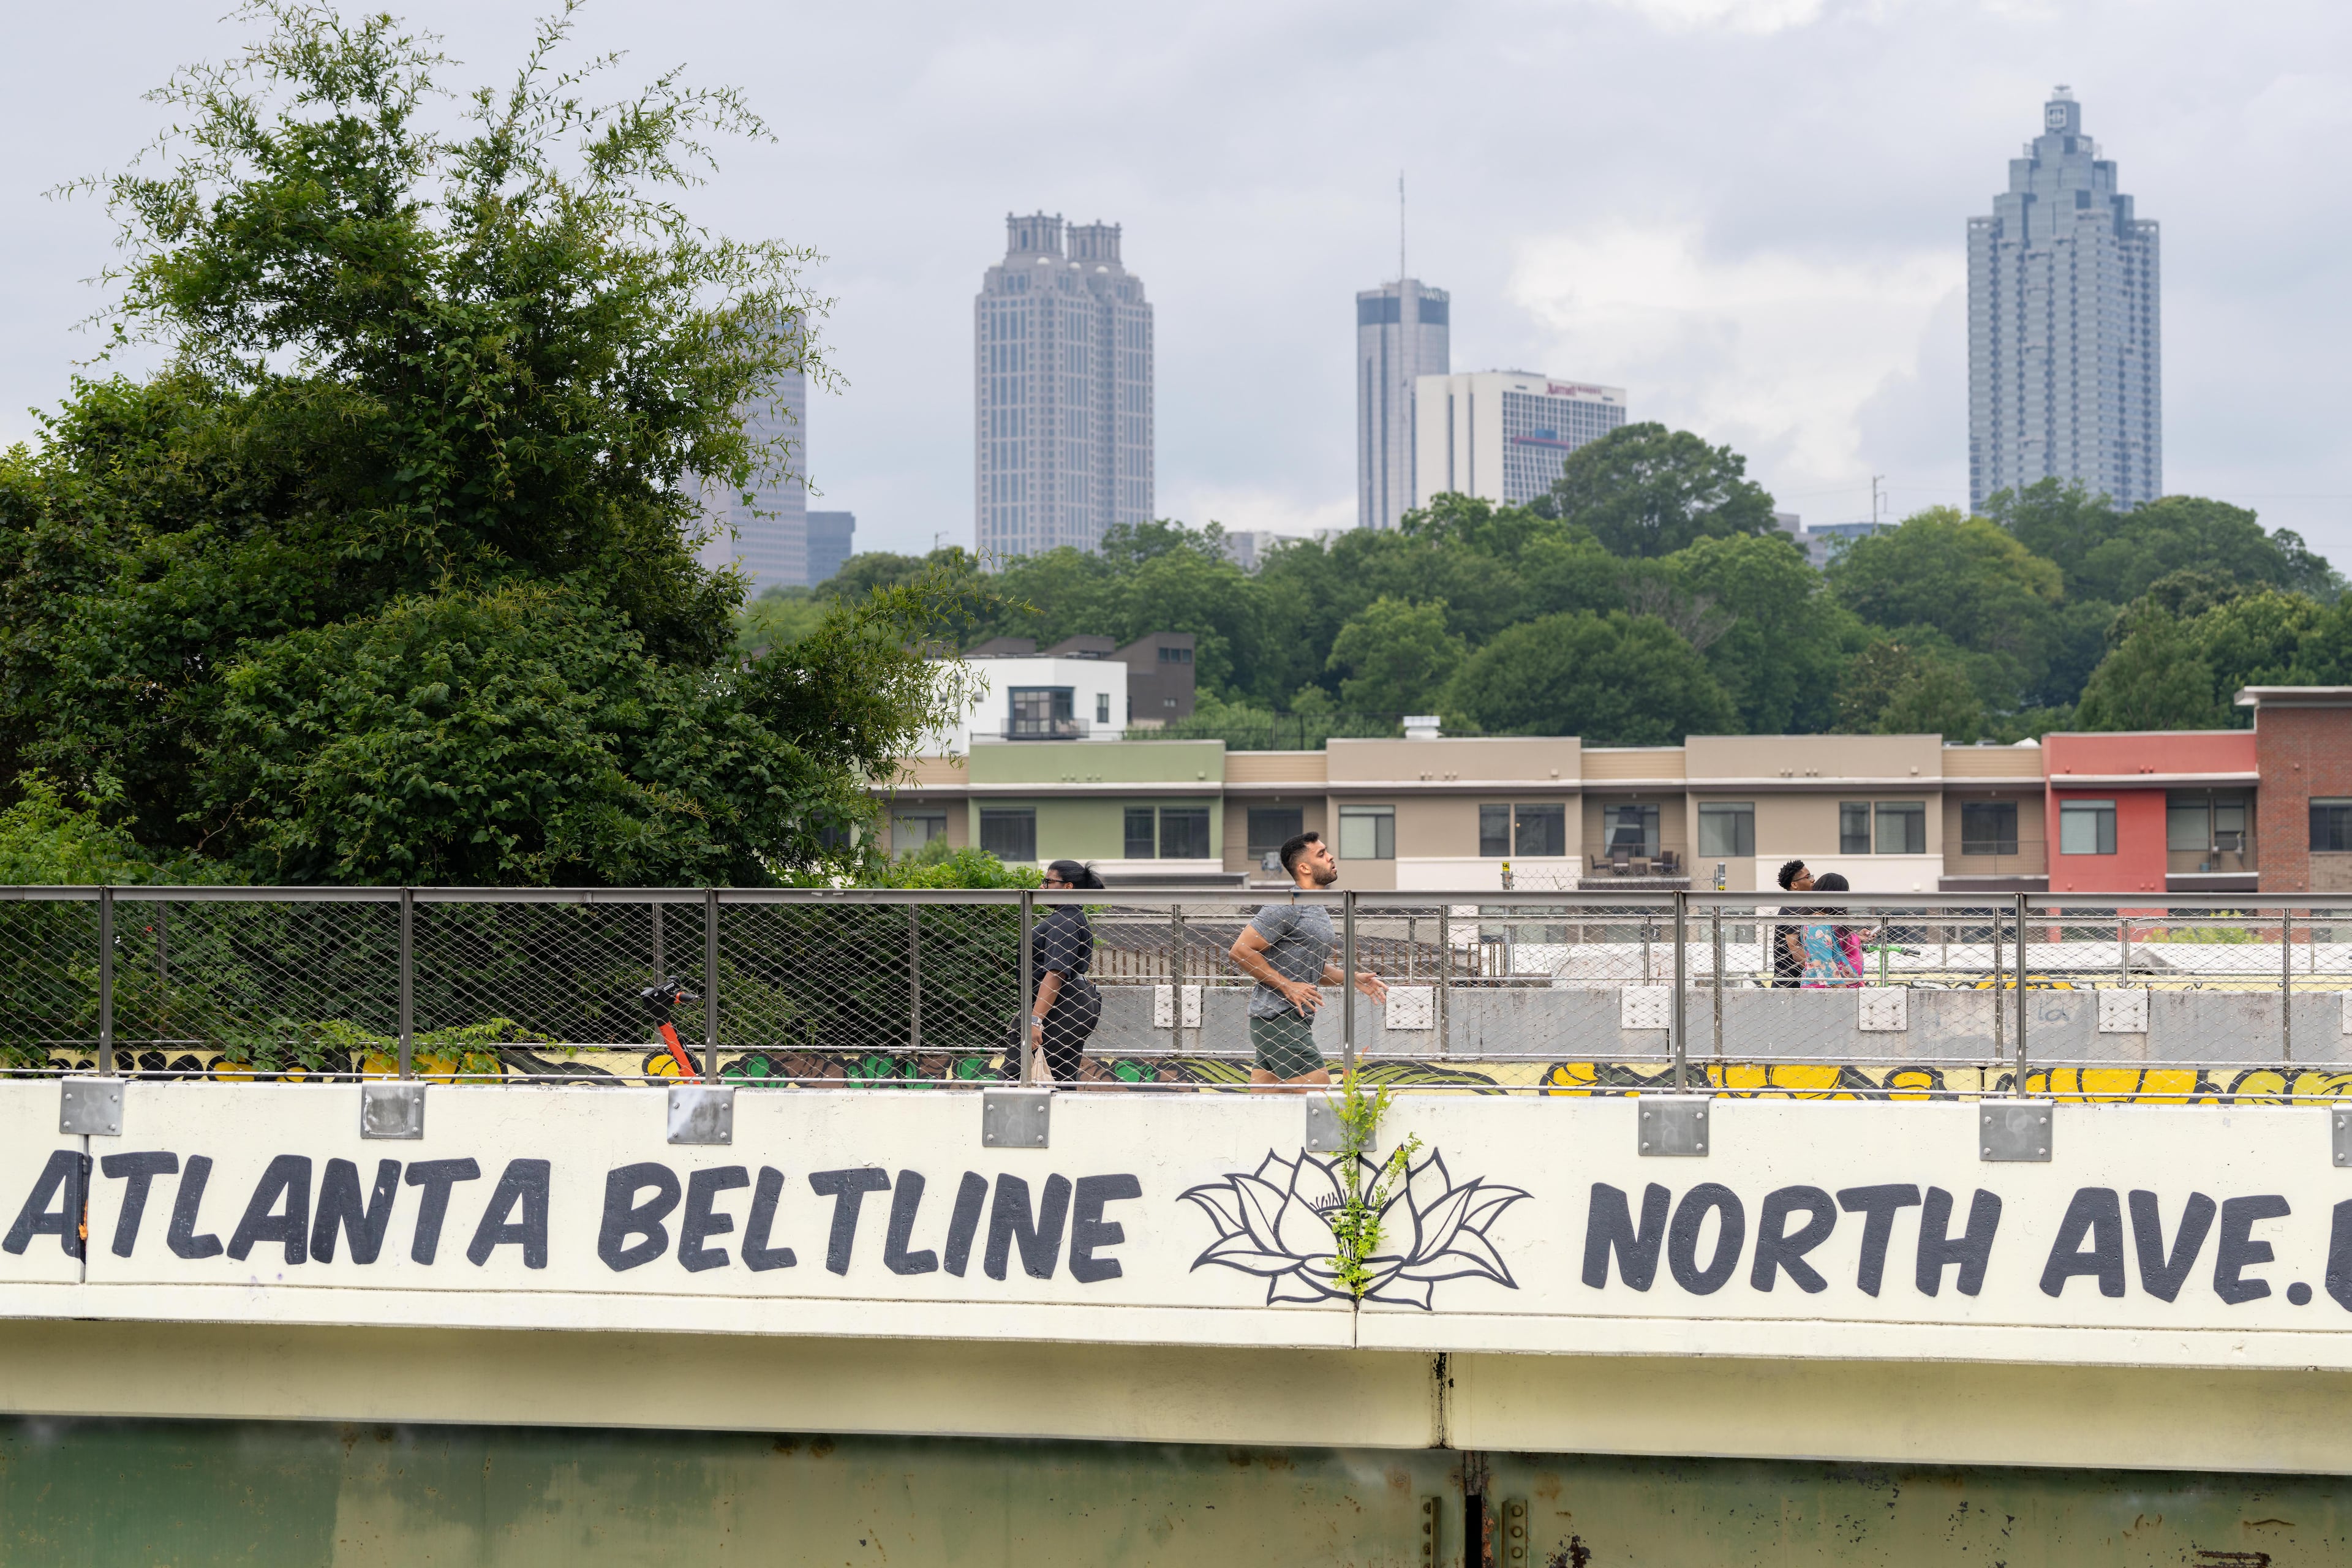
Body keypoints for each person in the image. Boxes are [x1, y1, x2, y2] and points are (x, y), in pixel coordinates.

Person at [1226, 831, 1387, 1092]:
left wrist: (1352, 978)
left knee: (1264, 1102)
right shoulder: (1290, 904)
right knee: (1319, 1094)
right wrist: (1288, 986)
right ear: (1304, 868)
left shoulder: (1316, 907)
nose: (1331, 857)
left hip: (1284, 1021)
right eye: (1321, 854)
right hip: (1277, 1019)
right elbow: (1241, 950)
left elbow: (1310, 966)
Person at [1025, 860, 1105, 1085]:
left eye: (1048, 881)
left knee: (1016, 1073)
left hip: (1062, 1004)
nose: (1042, 887)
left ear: (1068, 887)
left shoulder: (1065, 922)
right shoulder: (1070, 918)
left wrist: (1035, 1021)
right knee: (1059, 1079)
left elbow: (1055, 973)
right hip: (1069, 1002)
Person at [1801, 871, 1861, 987]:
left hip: (1842, 988)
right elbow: (1826, 967)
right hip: (1827, 992)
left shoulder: (1830, 921)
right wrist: (1845, 995)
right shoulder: (1817, 924)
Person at [1773, 859, 1814, 988]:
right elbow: (1797, 952)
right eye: (1808, 877)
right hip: (1789, 987)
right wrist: (1822, 975)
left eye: (1812, 875)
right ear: (1795, 885)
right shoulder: (1792, 909)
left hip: (1799, 984)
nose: (1813, 880)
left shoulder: (1802, 907)